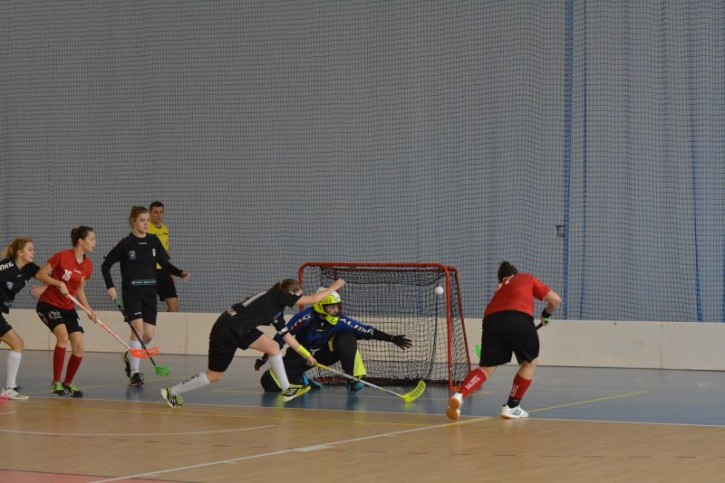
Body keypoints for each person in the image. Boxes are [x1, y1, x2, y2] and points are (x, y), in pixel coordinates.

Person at [160, 278, 346, 408]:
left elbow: (288, 338)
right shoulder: (278, 295)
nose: (298, 300)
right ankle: (172, 392)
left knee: (273, 347)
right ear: (290, 293)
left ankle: (287, 389)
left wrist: (307, 356)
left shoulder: (277, 310)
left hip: (241, 328)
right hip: (226, 330)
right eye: (297, 296)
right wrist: (335, 286)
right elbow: (314, 299)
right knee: (215, 375)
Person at [446, 261, 561, 420]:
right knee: (530, 362)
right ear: (515, 273)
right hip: (518, 317)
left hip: (491, 320)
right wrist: (546, 315)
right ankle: (512, 407)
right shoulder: (525, 278)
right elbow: (555, 300)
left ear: (501, 279)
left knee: (486, 368)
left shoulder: (500, 287)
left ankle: (459, 395)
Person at [257, 290, 412, 393]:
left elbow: (365, 330)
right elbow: (282, 336)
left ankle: (353, 378)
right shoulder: (305, 318)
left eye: (337, 307)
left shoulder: (341, 320)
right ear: (320, 306)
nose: (336, 311)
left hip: (325, 354)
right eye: (331, 308)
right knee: (270, 385)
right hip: (302, 355)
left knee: (347, 337)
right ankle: (300, 377)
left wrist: (391, 338)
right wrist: (264, 357)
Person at [101, 206, 190, 387]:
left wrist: (180, 273)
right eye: (142, 220)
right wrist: (110, 286)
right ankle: (135, 373)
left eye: (147, 220)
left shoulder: (153, 240)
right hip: (132, 292)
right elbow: (106, 265)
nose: (146, 223)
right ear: (133, 221)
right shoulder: (125, 243)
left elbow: (164, 263)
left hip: (150, 291)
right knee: (138, 330)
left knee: (148, 334)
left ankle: (129, 356)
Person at [0, 237, 69, 400]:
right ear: (20, 252)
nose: (34, 252)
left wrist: (55, 284)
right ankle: (9, 388)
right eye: (30, 250)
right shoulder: (4, 267)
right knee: (17, 343)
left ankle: (9, 388)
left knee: (17, 344)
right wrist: (58, 284)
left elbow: (45, 275)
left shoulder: (29, 268)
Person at [32, 227, 97, 398]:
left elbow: (80, 290)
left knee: (79, 347)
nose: (95, 243)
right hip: (49, 304)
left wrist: (88, 309)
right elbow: (40, 274)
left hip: (68, 307)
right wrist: (58, 283)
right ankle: (56, 382)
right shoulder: (62, 256)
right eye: (92, 239)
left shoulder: (88, 265)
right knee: (63, 336)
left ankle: (67, 383)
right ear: (81, 241)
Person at [147, 201, 179, 312]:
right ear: (150, 213)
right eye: (156, 212)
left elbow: (165, 252)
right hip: (149, 271)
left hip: (164, 271)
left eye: (161, 212)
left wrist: (171, 271)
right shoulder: (145, 228)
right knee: (147, 308)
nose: (159, 215)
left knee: (174, 306)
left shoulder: (165, 229)